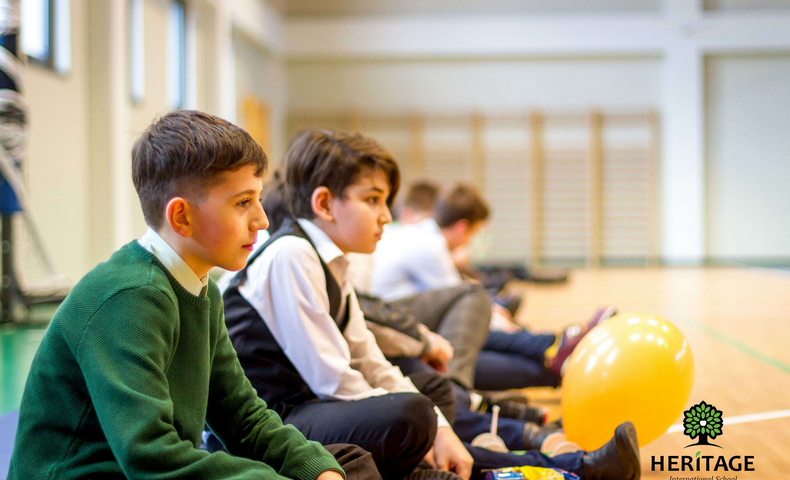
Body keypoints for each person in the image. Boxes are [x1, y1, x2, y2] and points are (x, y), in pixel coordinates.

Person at [220, 129, 641, 480]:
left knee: (431, 397)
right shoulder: (291, 255)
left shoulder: (330, 260)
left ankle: (568, 467)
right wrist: (426, 424)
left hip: (314, 407)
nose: (387, 215)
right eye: (373, 200)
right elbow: (332, 378)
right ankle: (551, 455)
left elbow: (368, 359)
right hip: (280, 421)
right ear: (325, 203)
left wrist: (438, 426)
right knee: (412, 413)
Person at [7, 111, 378, 480]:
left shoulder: (203, 290)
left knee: (344, 463)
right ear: (182, 217)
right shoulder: (130, 297)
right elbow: (150, 457)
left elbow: (243, 416)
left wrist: (314, 470)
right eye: (243, 203)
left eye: (259, 200)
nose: (262, 220)